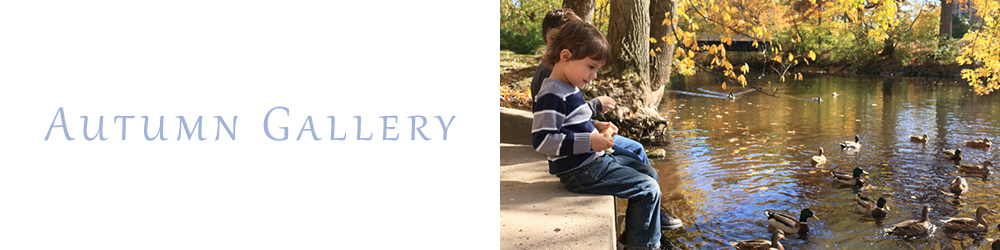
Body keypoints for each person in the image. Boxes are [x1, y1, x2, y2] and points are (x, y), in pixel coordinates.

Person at [530, 8, 682, 230]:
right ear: (565, 55)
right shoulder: (552, 91)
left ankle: (645, 227)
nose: (594, 76)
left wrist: (594, 125)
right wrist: (589, 140)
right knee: (648, 186)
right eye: (591, 67)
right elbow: (543, 140)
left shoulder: (568, 84)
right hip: (580, 169)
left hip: (589, 160)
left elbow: (570, 120)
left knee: (648, 172)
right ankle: (644, 242)